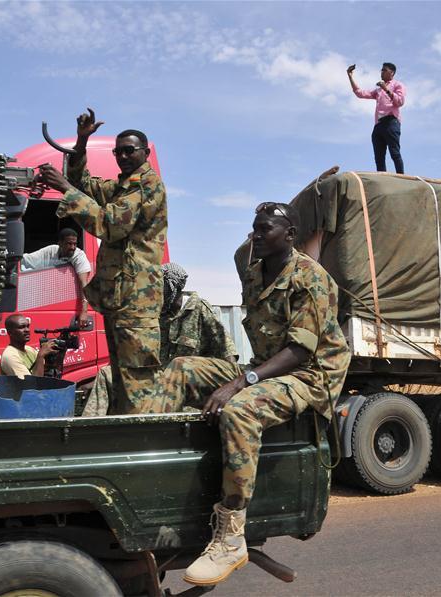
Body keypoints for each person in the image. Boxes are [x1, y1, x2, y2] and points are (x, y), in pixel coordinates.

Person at [156, 202, 351, 586]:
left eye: (265, 229)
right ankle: (158, 471)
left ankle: (231, 535)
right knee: (182, 368)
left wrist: (240, 383)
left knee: (240, 410)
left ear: (290, 235)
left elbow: (300, 351)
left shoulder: (310, 278)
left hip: (310, 375)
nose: (256, 236)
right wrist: (244, 375)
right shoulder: (255, 273)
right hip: (268, 365)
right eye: (254, 229)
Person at [39, 108, 167, 414]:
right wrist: (82, 142)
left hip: (136, 302)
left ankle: (147, 449)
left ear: (145, 153)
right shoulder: (122, 186)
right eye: (117, 151)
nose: (121, 156)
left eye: (129, 151)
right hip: (119, 300)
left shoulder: (144, 186)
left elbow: (110, 224)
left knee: (138, 382)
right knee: (123, 381)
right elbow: (84, 183)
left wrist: (65, 190)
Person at [82, 262, 237, 416]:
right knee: (106, 374)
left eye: (160, 288)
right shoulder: (155, 315)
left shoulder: (199, 311)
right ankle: (89, 432)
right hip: (156, 381)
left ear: (174, 289)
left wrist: (230, 392)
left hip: (186, 390)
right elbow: (132, 351)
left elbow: (227, 356)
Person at [22, 228, 92, 328]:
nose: (72, 247)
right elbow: (27, 260)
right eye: (69, 244)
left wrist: (84, 312)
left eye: (75, 244)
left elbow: (84, 284)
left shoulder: (79, 256)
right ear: (60, 243)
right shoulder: (51, 251)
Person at [348, 62, 406, 174]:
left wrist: (385, 88)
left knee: (394, 153)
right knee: (379, 158)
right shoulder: (378, 90)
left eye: (384, 70)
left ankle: (402, 178)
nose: (382, 72)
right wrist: (350, 77)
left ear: (392, 73)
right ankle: (382, 181)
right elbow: (360, 93)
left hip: (391, 122)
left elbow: (400, 102)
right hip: (378, 125)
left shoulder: (397, 85)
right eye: (381, 70)